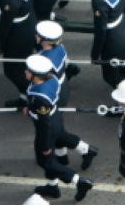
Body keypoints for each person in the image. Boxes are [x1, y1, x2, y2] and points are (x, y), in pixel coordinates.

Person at [24, 55, 95, 201]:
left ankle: (78, 182)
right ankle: (52, 186)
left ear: (36, 75)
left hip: (47, 125)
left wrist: (44, 146)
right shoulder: (52, 79)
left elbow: (44, 125)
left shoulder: (39, 97)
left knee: (46, 161)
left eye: (28, 70)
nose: (25, 72)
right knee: (61, 136)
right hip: (55, 116)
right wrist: (30, 107)